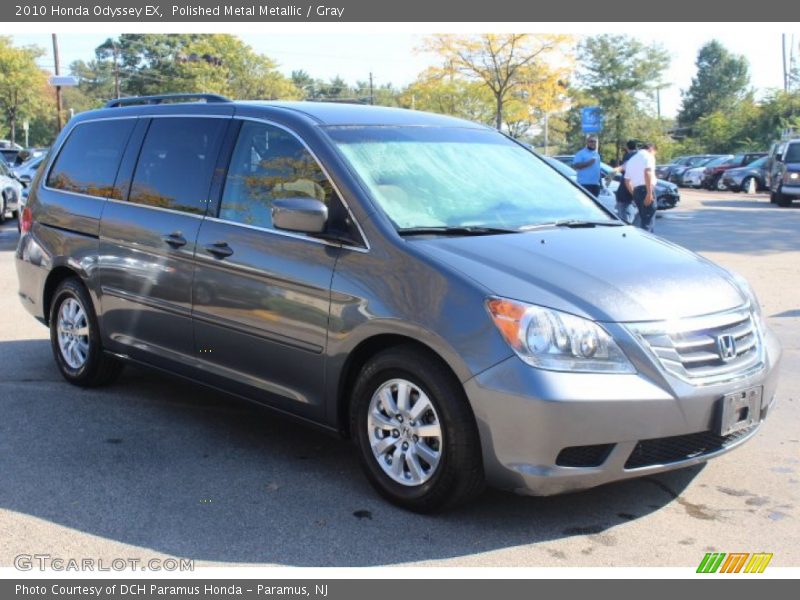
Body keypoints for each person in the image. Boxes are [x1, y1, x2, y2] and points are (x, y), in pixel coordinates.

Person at [623, 141, 657, 232]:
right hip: (646, 190)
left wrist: (633, 194)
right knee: (648, 222)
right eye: (655, 153)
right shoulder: (648, 156)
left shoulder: (632, 160)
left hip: (637, 190)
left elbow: (627, 180)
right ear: (651, 149)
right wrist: (649, 193)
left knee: (643, 218)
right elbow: (647, 172)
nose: (654, 155)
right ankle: (647, 244)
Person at [613, 140, 639, 224]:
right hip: (633, 185)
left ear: (627, 147)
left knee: (624, 209)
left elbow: (623, 169)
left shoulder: (628, 155)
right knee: (628, 208)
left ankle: (625, 224)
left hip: (626, 186)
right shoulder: (638, 155)